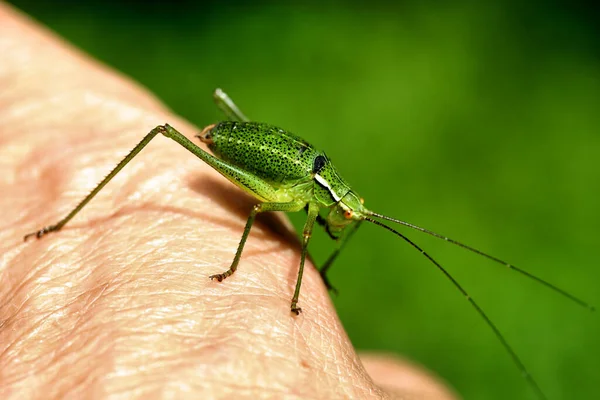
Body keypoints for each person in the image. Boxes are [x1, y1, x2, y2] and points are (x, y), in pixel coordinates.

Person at [0, 3, 455, 399]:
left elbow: (340, 220)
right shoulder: (311, 202)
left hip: (295, 165)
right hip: (252, 158)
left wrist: (328, 262)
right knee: (172, 138)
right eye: (346, 212)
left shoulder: (333, 198)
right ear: (338, 199)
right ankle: (63, 223)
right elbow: (261, 207)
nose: (347, 219)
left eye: (349, 214)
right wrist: (261, 284)